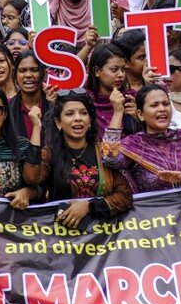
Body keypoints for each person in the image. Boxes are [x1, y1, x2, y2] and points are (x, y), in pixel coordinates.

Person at [42, 92, 133, 225]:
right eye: (69, 114)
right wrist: (37, 127)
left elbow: (125, 197)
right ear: (58, 122)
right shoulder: (49, 154)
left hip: (101, 236)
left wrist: (88, 206)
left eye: (83, 113)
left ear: (90, 121)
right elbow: (33, 180)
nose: (78, 118)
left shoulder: (103, 152)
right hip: (60, 236)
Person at [100, 83, 181, 193]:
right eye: (154, 105)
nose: (162, 109)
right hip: (155, 209)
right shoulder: (134, 144)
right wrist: (118, 112)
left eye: (166, 104)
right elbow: (110, 159)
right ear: (140, 114)